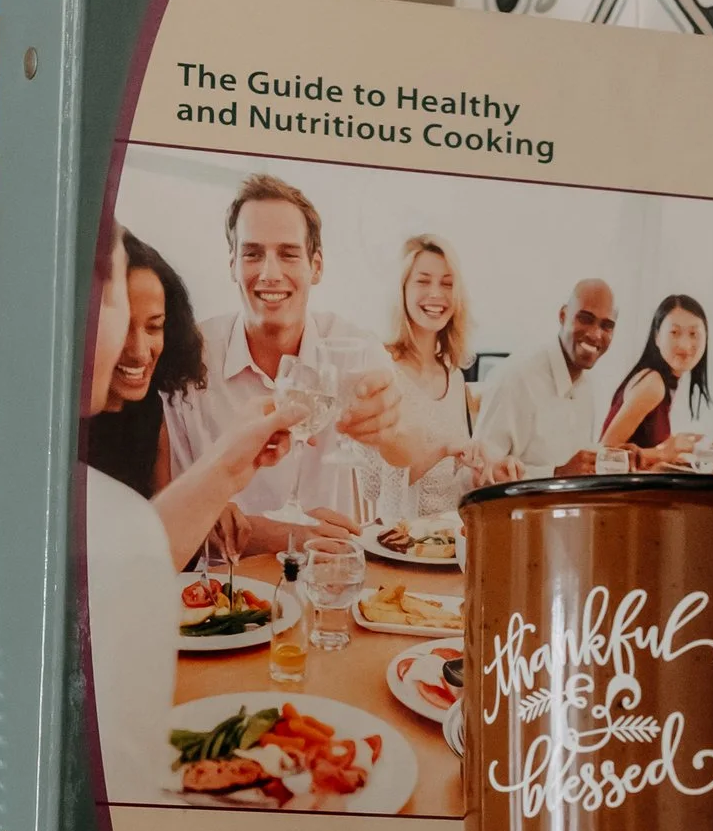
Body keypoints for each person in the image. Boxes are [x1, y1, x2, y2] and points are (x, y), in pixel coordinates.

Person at [167, 170, 388, 554]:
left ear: (315, 266)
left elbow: (406, 449)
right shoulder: (188, 361)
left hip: (333, 585)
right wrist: (277, 535)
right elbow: (172, 521)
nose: (270, 274)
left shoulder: (355, 351)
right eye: (252, 254)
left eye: (288, 254)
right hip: (226, 598)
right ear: (233, 264)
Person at [81, 226, 294, 568]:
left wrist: (209, 510)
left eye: (154, 327)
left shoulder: (148, 407)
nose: (138, 352)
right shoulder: (55, 432)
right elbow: (110, 567)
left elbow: (157, 530)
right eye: (121, 327)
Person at [473, 277, 619, 479]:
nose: (595, 334)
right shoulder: (516, 378)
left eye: (607, 326)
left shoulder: (589, 386)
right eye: (585, 319)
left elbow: (576, 466)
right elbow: (476, 475)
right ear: (563, 315)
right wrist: (556, 474)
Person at [363, 233, 478, 476]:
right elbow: (373, 486)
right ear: (402, 290)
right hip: (401, 517)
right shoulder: (380, 369)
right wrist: (442, 450)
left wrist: (486, 473)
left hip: (452, 515)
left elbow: (454, 479)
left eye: (447, 284)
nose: (436, 293)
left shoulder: (454, 375)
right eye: (423, 281)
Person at [600, 295, 713, 469]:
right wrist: (664, 452)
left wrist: (694, 444)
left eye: (693, 334)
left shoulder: (663, 380)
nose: (684, 345)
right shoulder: (653, 384)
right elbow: (603, 456)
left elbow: (646, 442)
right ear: (657, 336)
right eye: (674, 333)